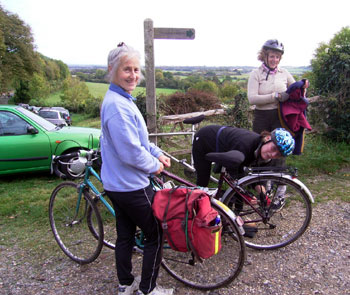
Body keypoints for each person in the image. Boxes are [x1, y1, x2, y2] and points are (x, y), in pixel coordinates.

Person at [100, 42, 173, 295]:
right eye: (126, 70)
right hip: (131, 185)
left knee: (125, 236)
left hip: (116, 184)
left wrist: (158, 154)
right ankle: (147, 290)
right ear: (112, 70)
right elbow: (131, 152)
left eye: (136, 70)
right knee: (156, 235)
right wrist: (155, 166)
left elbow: (139, 142)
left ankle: (125, 284)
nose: (133, 75)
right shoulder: (118, 107)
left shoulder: (121, 99)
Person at [192, 125, 295, 188]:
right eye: (273, 149)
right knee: (203, 182)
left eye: (278, 155)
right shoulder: (245, 144)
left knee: (237, 185)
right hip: (204, 139)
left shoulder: (264, 152)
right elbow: (235, 176)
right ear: (267, 138)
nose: (273, 155)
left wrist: (262, 194)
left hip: (228, 146)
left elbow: (257, 177)